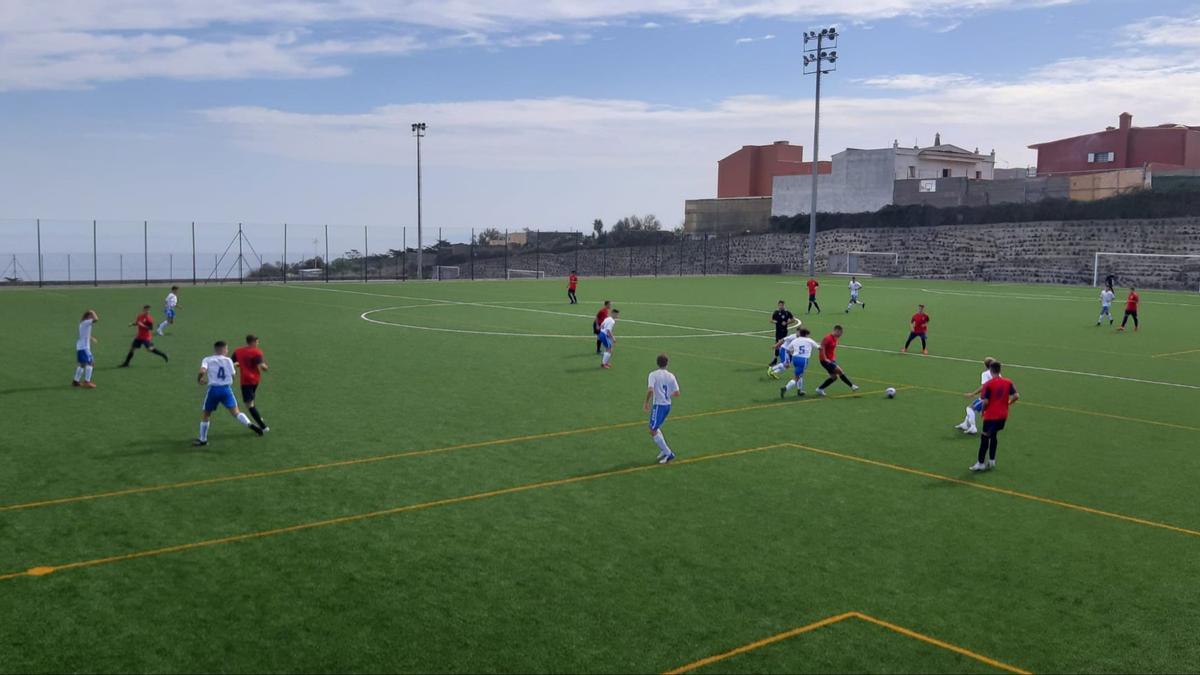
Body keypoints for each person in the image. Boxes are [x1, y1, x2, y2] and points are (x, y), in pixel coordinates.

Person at [194, 340, 265, 446]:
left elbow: (202, 371)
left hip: (214, 390)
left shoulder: (207, 359)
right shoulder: (228, 361)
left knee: (206, 414)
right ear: (222, 349)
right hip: (226, 389)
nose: (227, 350)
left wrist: (199, 379)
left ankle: (203, 439)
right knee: (236, 413)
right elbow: (233, 375)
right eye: (226, 348)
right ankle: (250, 425)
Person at [970, 360, 1018, 472]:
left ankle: (980, 463)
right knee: (994, 435)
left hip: (991, 416)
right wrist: (1008, 403)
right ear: (1000, 370)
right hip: (1003, 416)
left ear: (990, 371)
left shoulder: (988, 384)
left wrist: (982, 411)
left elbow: (985, 402)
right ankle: (992, 460)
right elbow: (1016, 395)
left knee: (984, 438)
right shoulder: (1008, 382)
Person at [644, 353, 681, 464]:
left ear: (657, 363)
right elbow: (677, 393)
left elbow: (650, 390)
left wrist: (646, 402)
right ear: (667, 363)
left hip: (659, 406)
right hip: (667, 406)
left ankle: (668, 453)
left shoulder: (653, 374)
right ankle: (664, 450)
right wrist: (667, 394)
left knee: (652, 430)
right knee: (656, 427)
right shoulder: (671, 376)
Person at [232, 334, 270, 432]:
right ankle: (259, 419)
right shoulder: (257, 352)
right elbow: (262, 367)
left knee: (249, 404)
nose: (258, 344)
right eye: (257, 342)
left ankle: (263, 426)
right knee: (251, 401)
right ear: (253, 342)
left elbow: (232, 363)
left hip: (245, 380)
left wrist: (240, 364)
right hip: (255, 380)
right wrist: (266, 366)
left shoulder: (238, 351)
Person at [955, 357, 996, 435]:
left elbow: (984, 386)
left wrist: (972, 394)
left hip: (987, 397)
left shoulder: (985, 374)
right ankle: (965, 424)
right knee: (972, 407)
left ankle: (973, 427)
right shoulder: (997, 373)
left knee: (970, 409)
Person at [815, 325, 859, 396]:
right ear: (836, 331)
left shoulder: (835, 338)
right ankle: (852, 386)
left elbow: (831, 350)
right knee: (840, 371)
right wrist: (825, 358)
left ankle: (820, 389)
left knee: (834, 377)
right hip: (825, 361)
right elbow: (821, 348)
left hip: (831, 360)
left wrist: (833, 358)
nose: (841, 335)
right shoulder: (827, 338)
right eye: (840, 333)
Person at [779, 326, 820, 398]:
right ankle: (785, 388)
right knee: (796, 377)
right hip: (803, 360)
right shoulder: (809, 340)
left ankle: (799, 391)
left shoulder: (795, 340)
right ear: (806, 334)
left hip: (795, 359)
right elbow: (819, 348)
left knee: (800, 375)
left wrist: (793, 354)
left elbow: (788, 350)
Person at [73, 310, 99, 388]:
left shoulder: (84, 323)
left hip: (82, 347)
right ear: (88, 316)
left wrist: (91, 338)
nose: (92, 317)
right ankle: (87, 382)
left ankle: (75, 381)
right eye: (91, 316)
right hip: (84, 347)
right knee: (91, 362)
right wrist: (93, 312)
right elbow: (96, 320)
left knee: (82, 364)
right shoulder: (86, 322)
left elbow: (84, 334)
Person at [768, 300, 795, 368]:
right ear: (778, 305)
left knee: (783, 345)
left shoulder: (787, 312)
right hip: (778, 332)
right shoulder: (776, 312)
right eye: (779, 305)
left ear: (783, 305)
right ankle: (775, 359)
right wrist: (775, 322)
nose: (780, 306)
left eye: (782, 305)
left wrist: (787, 323)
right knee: (778, 345)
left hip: (784, 331)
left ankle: (787, 358)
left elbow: (793, 320)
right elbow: (771, 320)